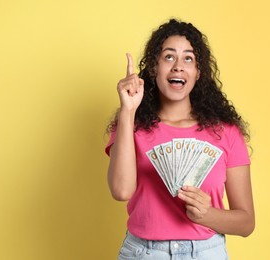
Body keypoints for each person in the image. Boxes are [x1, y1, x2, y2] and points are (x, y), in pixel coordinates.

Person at [105, 18, 255, 260]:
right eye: (168, 57)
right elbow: (121, 191)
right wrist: (128, 111)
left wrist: (206, 214)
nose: (178, 66)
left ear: (198, 72)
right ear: (154, 68)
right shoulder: (130, 125)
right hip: (143, 253)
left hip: (206, 253)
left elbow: (246, 222)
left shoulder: (226, 132)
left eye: (188, 58)